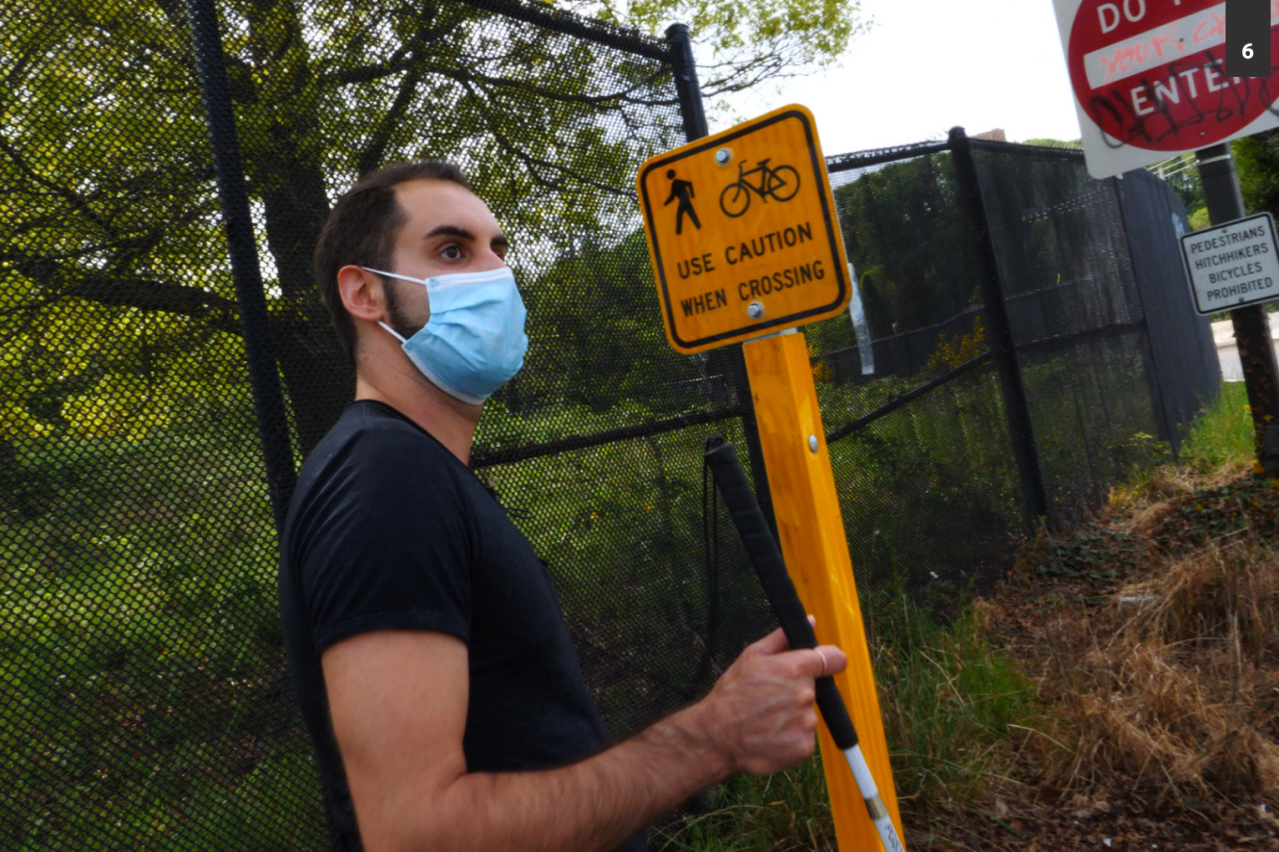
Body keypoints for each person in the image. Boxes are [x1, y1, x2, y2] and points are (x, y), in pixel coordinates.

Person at [277, 161, 848, 852]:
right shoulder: (386, 477)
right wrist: (711, 739)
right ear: (364, 293)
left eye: (500, 250)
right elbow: (413, 833)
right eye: (453, 251)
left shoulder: (413, 468)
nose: (495, 275)